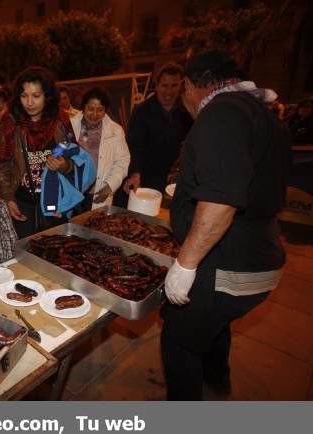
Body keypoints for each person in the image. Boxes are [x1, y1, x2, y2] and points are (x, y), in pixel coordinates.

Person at [161, 50, 289, 400]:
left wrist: (185, 265)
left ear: (190, 85)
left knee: (179, 338)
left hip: (229, 260)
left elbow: (221, 199)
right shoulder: (259, 113)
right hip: (260, 252)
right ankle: (217, 379)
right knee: (214, 321)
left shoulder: (222, 113)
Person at [0, 66, 76, 239]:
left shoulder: (60, 120)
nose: (29, 103)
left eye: (36, 96)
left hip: (55, 199)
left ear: (47, 96)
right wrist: (8, 198)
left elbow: (74, 158)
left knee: (56, 250)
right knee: (25, 252)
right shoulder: (11, 122)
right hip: (23, 201)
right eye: (24, 96)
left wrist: (64, 165)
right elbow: (3, 163)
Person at [122, 63, 193, 198]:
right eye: (165, 86)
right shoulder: (141, 112)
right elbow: (134, 146)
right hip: (144, 177)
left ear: (181, 86)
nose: (169, 91)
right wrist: (135, 174)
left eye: (174, 85)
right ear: (157, 86)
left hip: (172, 178)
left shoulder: (187, 111)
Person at [70, 87, 130, 211]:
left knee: (93, 226)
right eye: (90, 109)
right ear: (83, 107)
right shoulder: (70, 125)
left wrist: (110, 186)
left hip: (98, 192)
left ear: (105, 110)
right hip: (72, 191)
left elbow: (122, 161)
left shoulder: (115, 131)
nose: (94, 114)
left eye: (100, 110)